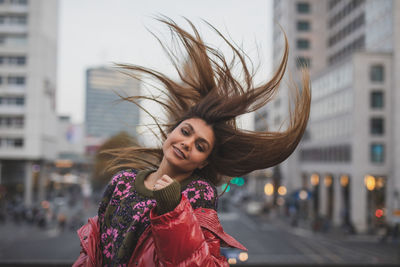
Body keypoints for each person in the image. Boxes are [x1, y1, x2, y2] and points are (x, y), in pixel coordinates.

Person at [73, 17, 311, 267]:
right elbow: (93, 251)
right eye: (185, 131)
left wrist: (174, 210)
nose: (187, 143)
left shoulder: (198, 192)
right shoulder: (122, 182)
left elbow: (200, 262)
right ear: (171, 131)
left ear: (203, 162)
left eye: (200, 146)